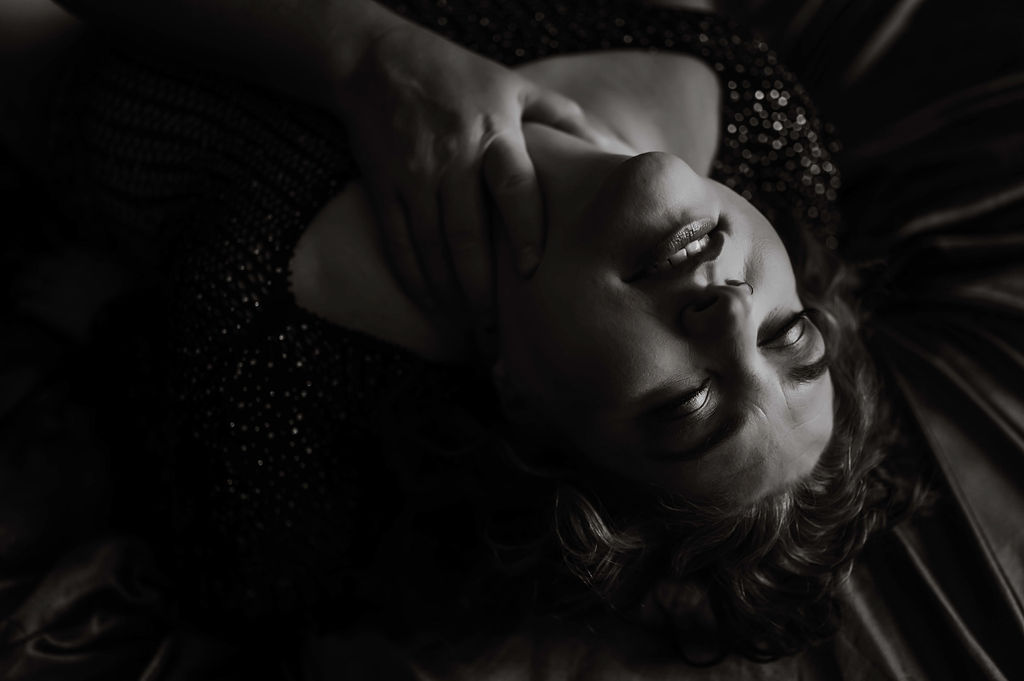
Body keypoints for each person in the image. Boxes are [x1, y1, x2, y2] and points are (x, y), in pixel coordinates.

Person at [17, 0, 928, 665]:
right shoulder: (763, 123)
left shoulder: (269, 345)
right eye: (788, 339)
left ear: (528, 404)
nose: (731, 313)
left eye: (692, 400)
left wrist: (369, 54)